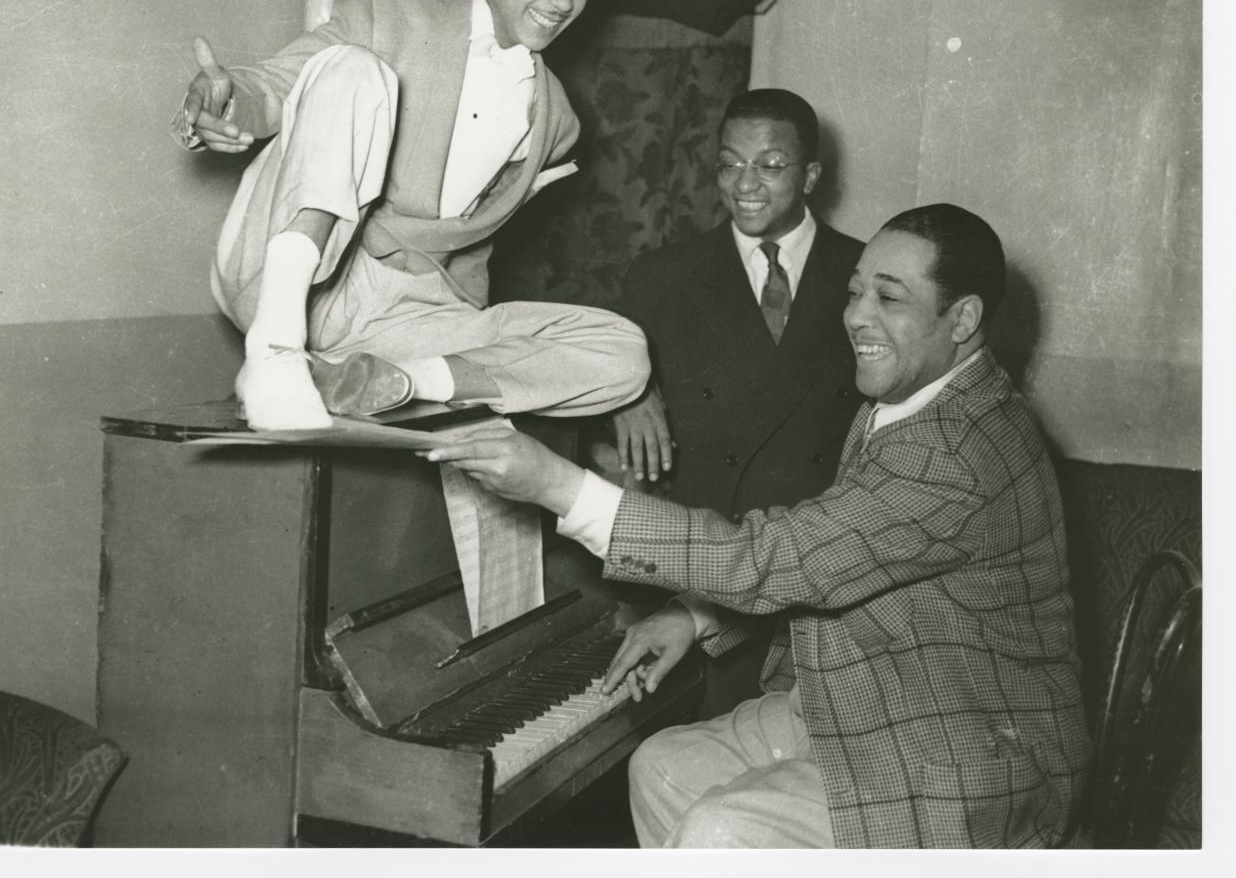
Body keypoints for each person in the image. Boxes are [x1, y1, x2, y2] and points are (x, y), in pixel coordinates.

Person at [425, 203, 1091, 849]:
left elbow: (777, 556)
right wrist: (695, 618)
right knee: (659, 768)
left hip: (966, 752)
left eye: (889, 299)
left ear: (963, 318)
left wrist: (556, 485)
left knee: (723, 833)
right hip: (878, 696)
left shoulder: (953, 450)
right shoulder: (914, 398)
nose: (856, 315)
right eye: (855, 290)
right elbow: (837, 551)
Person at [173, 0, 649, 429]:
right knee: (353, 66)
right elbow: (281, 83)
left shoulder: (558, 122)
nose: (564, 2)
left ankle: (390, 383)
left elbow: (470, 248)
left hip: (404, 317)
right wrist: (227, 102)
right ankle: (276, 352)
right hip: (297, 270)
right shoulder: (386, 14)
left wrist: (459, 348)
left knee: (625, 351)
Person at [606, 87, 864, 717]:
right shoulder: (662, 275)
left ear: (811, 175)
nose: (745, 184)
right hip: (691, 582)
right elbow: (583, 363)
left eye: (770, 166)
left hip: (813, 587)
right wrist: (626, 391)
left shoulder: (864, 274)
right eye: (729, 164)